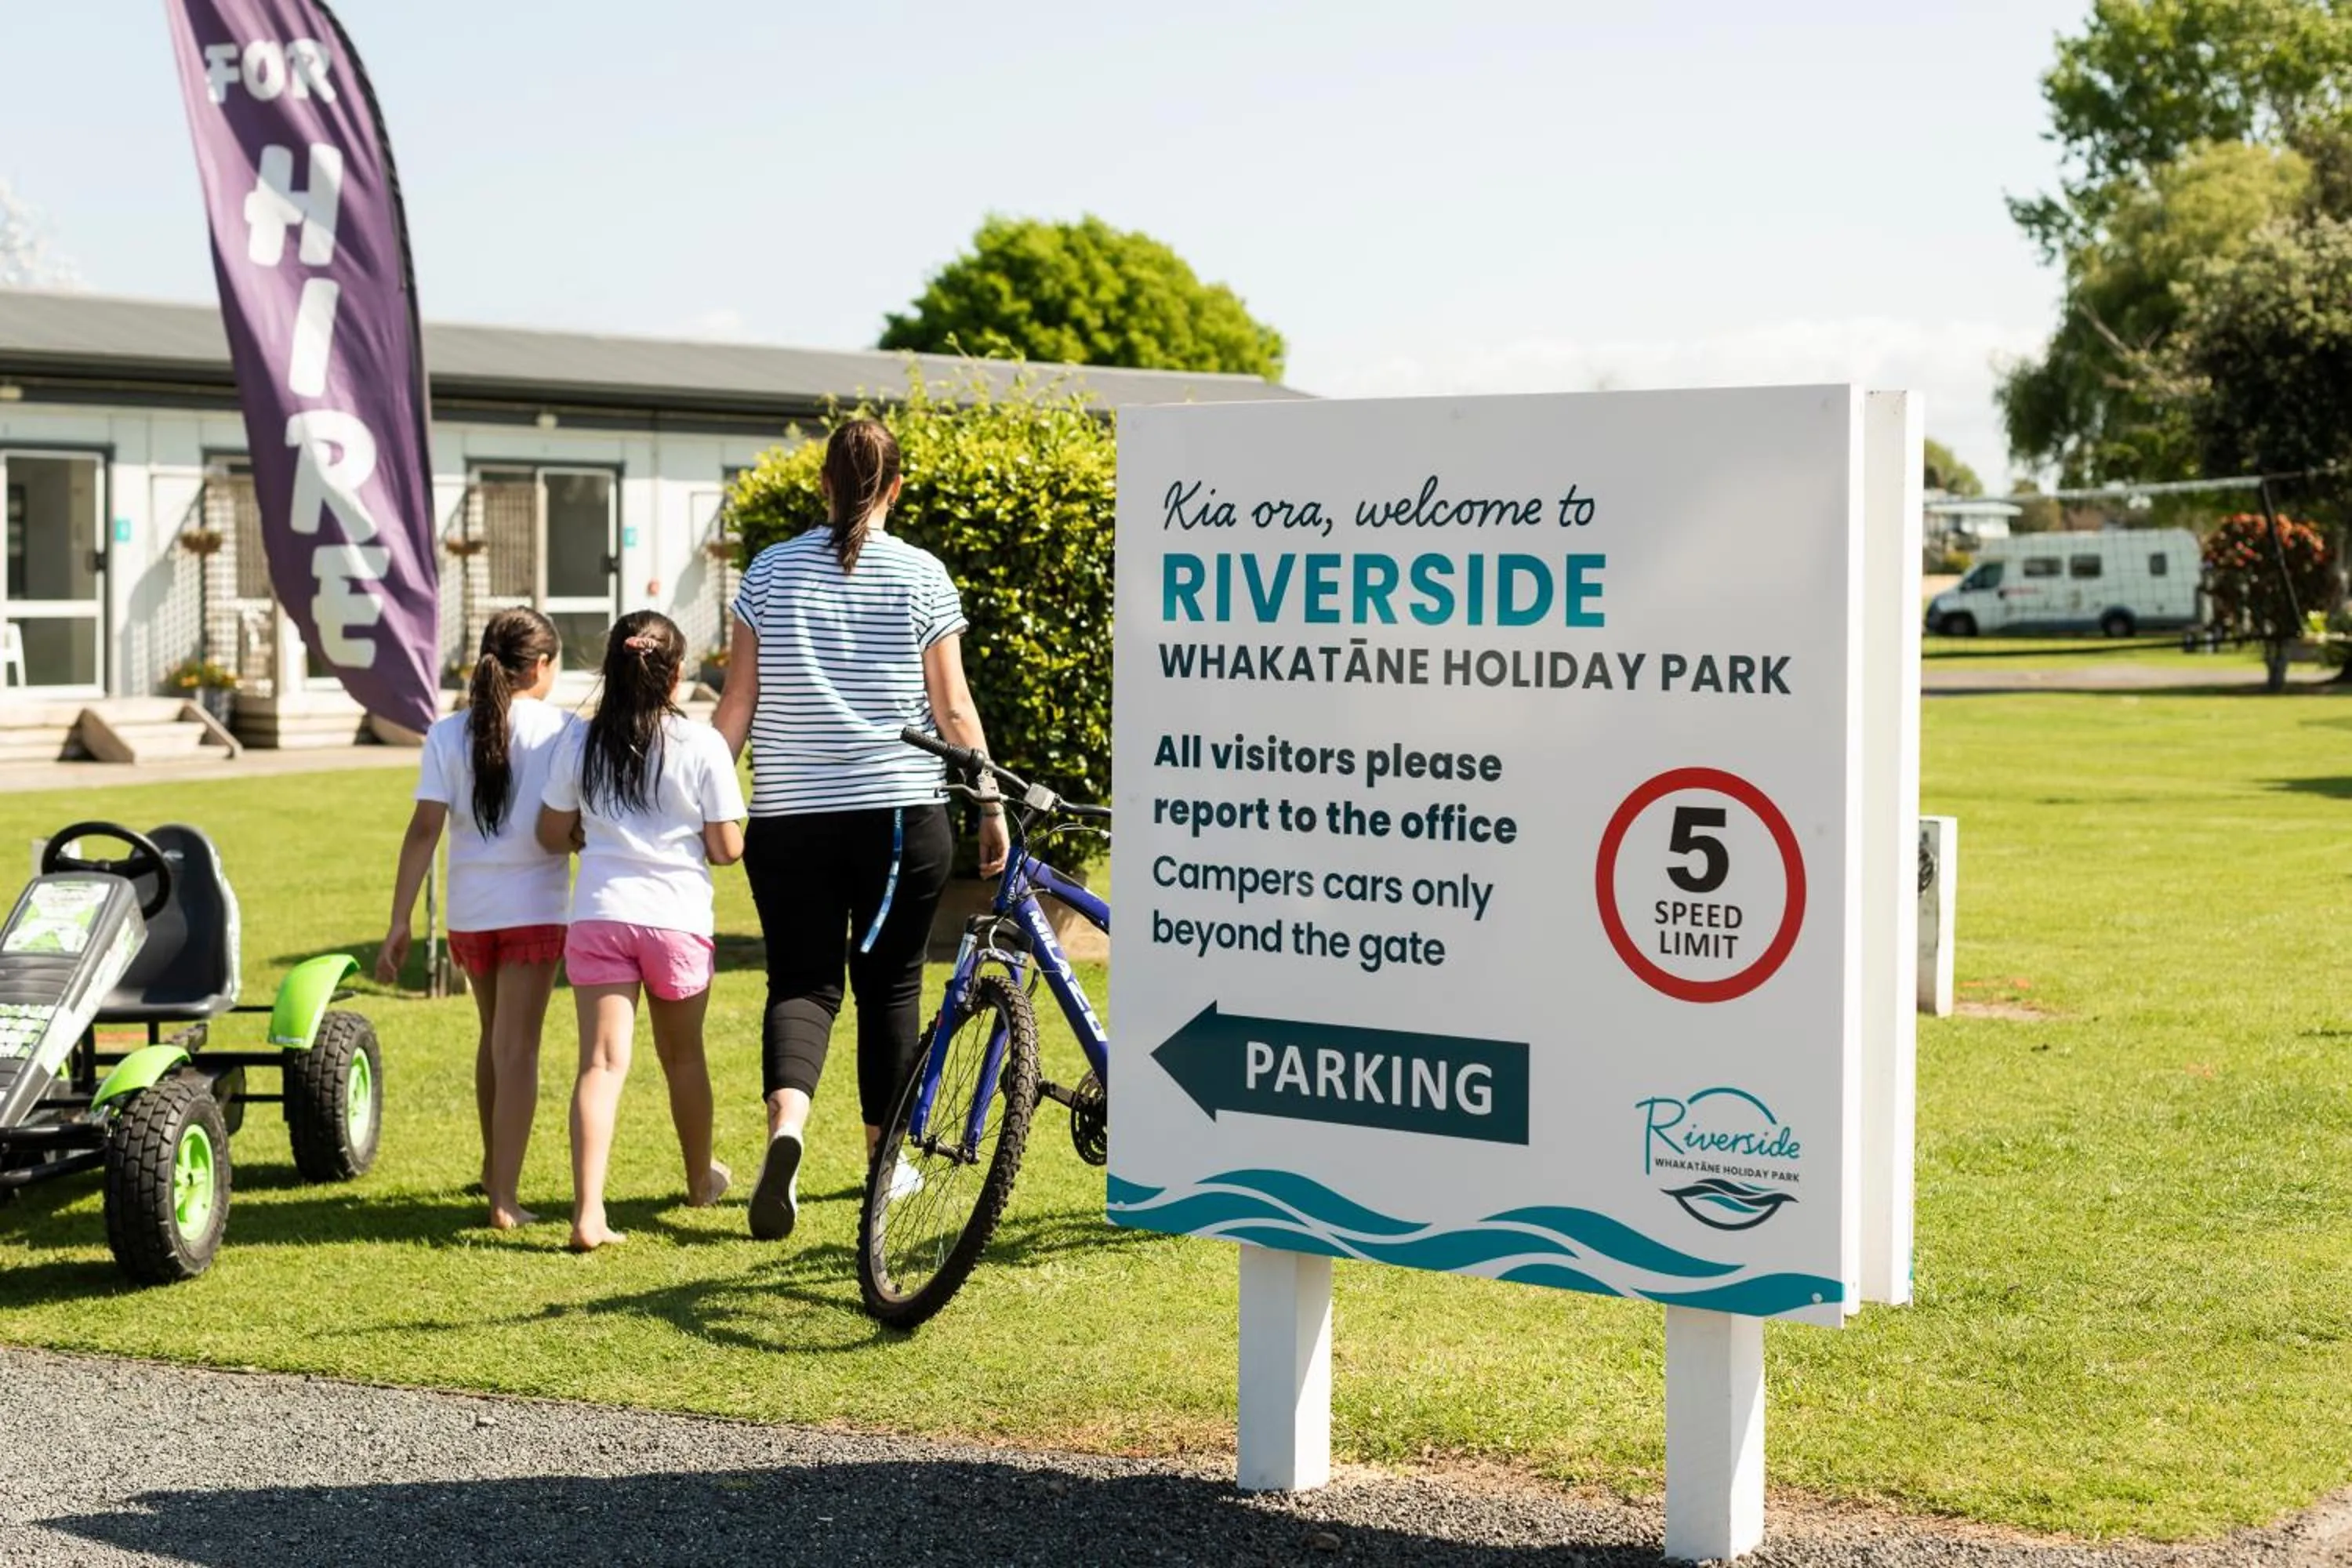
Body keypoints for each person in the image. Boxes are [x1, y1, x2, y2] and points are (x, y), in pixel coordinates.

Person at [714, 417, 1007, 1243]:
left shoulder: (770, 571)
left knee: (800, 983)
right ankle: (886, 1158)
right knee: (890, 987)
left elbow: (736, 705)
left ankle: (787, 1131)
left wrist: (700, 796)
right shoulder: (921, 575)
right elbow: (952, 706)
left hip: (788, 816)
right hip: (896, 816)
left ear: (823, 487)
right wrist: (988, 802)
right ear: (896, 488)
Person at [539, 611, 746, 1252]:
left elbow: (550, 833)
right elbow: (726, 848)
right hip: (676, 920)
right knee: (683, 1058)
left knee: (600, 1065)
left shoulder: (579, 740)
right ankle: (698, 1180)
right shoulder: (703, 743)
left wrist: (590, 839)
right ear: (677, 674)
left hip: (601, 912)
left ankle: (588, 1212)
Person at [379, 608, 573, 1230]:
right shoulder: (565, 730)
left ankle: (496, 1173)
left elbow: (422, 832)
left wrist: (400, 920)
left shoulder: (446, 733)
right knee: (517, 1049)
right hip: (534, 910)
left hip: (470, 913)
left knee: (494, 1040)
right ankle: (505, 1201)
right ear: (540, 667)